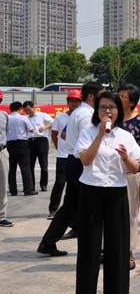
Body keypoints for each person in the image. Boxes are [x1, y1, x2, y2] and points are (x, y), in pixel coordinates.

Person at [73, 91, 140, 294]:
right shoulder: (88, 132)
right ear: (97, 111)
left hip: (116, 192)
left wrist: (125, 158)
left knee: (118, 247)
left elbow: (136, 168)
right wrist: (100, 135)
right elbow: (85, 160)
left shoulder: (126, 136)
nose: (107, 111)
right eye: (103, 107)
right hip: (91, 191)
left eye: (112, 107)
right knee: (89, 248)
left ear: (118, 111)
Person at [38, 82, 104, 256]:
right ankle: (94, 249)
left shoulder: (78, 112)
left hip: (73, 161)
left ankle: (48, 242)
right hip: (81, 163)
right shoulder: (87, 115)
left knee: (69, 206)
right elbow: (88, 142)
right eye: (101, 94)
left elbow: (65, 134)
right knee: (91, 207)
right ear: (92, 96)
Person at [118, 84, 140, 271]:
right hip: (110, 175)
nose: (118, 99)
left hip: (132, 175)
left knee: (130, 214)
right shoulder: (110, 121)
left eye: (122, 97)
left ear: (132, 102)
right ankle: (108, 250)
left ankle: (129, 252)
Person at [48, 90, 82, 219]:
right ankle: (53, 209)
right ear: (67, 102)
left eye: (77, 101)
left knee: (75, 185)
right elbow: (54, 135)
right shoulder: (60, 117)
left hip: (78, 156)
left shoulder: (83, 117)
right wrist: (59, 149)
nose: (74, 103)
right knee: (60, 182)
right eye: (72, 101)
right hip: (63, 156)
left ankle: (75, 211)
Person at [6, 102, 36, 196]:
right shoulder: (23, 118)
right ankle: (28, 190)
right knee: (25, 168)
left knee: (11, 168)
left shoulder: (7, 118)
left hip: (9, 144)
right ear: (20, 109)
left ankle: (13, 191)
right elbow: (31, 130)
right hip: (21, 144)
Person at [23, 101, 53, 192]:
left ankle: (43, 185)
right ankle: (31, 186)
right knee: (30, 165)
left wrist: (45, 127)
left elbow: (53, 122)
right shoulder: (26, 119)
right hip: (30, 142)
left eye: (29, 110)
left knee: (43, 164)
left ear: (34, 107)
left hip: (41, 141)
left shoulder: (42, 115)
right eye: (25, 111)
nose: (28, 112)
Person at [0, 89, 12, 227]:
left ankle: (1, 216)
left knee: (3, 185)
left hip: (1, 152)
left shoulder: (4, 115)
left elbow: (6, 132)